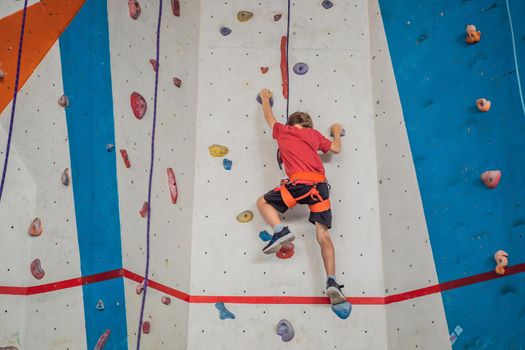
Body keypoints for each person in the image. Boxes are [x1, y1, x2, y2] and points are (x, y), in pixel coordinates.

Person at [256, 88, 346, 303]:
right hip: (319, 188)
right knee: (323, 234)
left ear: (290, 124)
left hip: (298, 184)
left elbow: (269, 117)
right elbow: (335, 149)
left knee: (262, 202)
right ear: (308, 126)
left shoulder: (283, 130)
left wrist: (266, 99)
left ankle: (281, 231)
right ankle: (332, 281)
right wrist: (335, 131)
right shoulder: (314, 135)